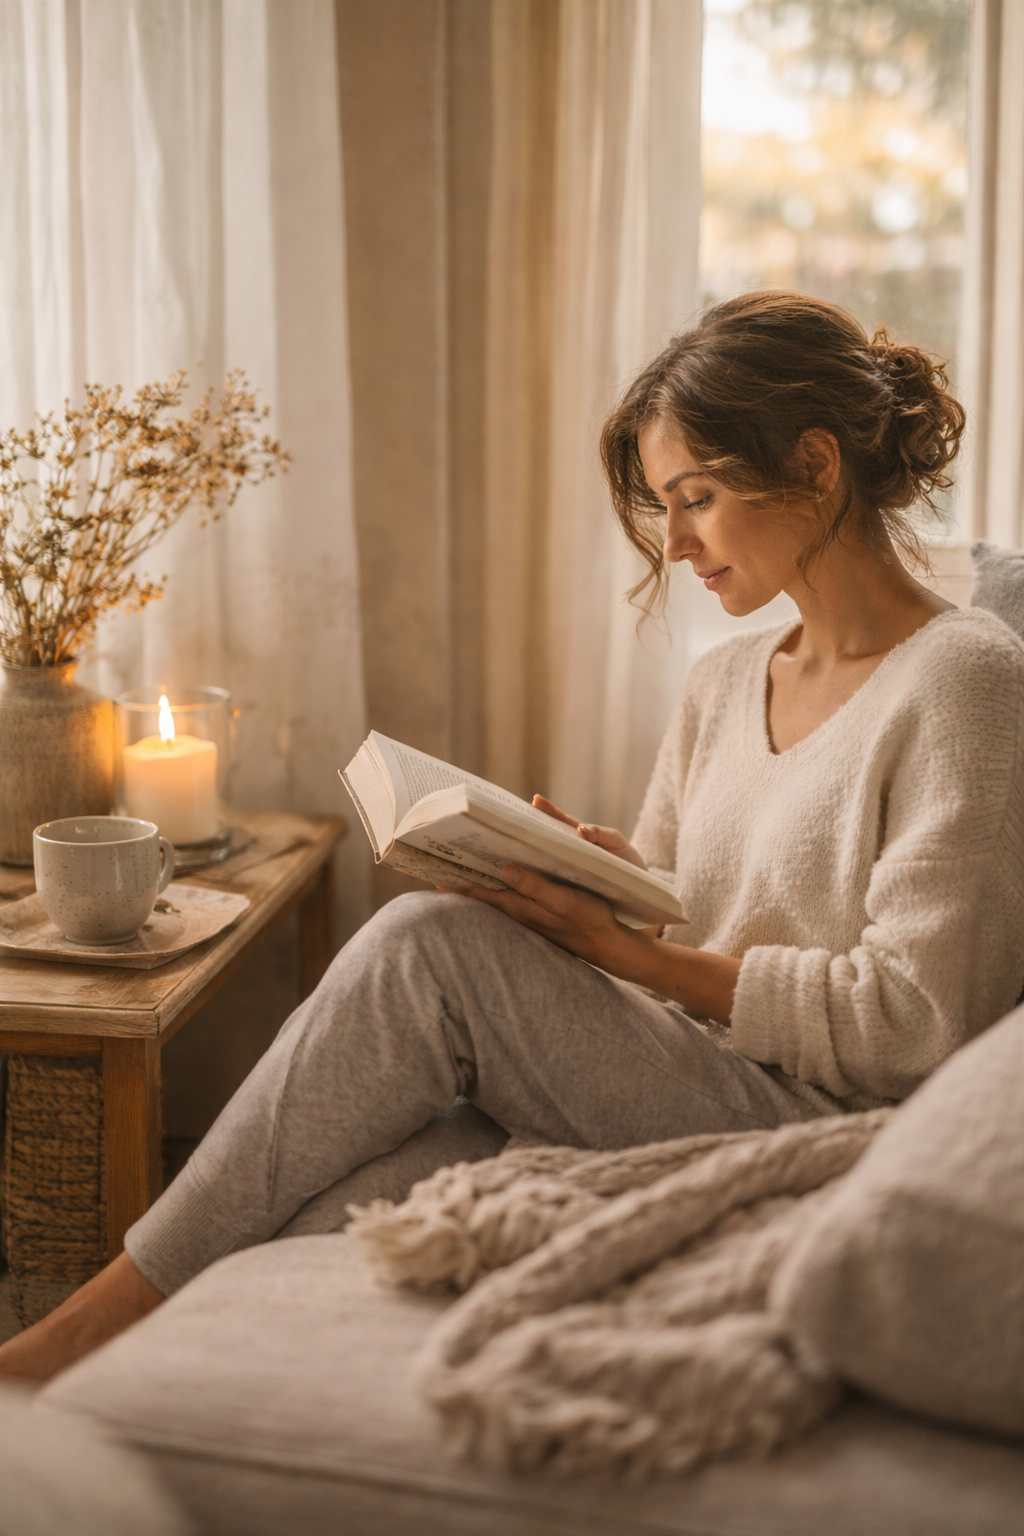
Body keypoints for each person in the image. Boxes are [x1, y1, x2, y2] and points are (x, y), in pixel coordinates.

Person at [4, 290, 1023, 1383]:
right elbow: (695, 904)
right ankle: (121, 1411)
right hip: (687, 1069)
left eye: (699, 499)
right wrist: (602, 879)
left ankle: (69, 1336)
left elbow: (919, 1022)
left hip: (818, 1127)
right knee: (335, 1201)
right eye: (666, 507)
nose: (674, 543)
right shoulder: (725, 680)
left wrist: (631, 952)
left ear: (817, 467)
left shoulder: (965, 681)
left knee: (425, 945)